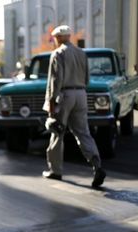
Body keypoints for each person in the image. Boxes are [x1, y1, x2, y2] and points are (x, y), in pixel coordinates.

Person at [42, 25, 106, 188]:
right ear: (69, 36)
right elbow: (87, 79)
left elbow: (55, 81)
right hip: (81, 94)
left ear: (58, 38)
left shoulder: (58, 53)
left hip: (64, 95)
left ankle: (55, 170)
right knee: (83, 133)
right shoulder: (82, 53)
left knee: (57, 133)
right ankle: (97, 165)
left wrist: (50, 104)